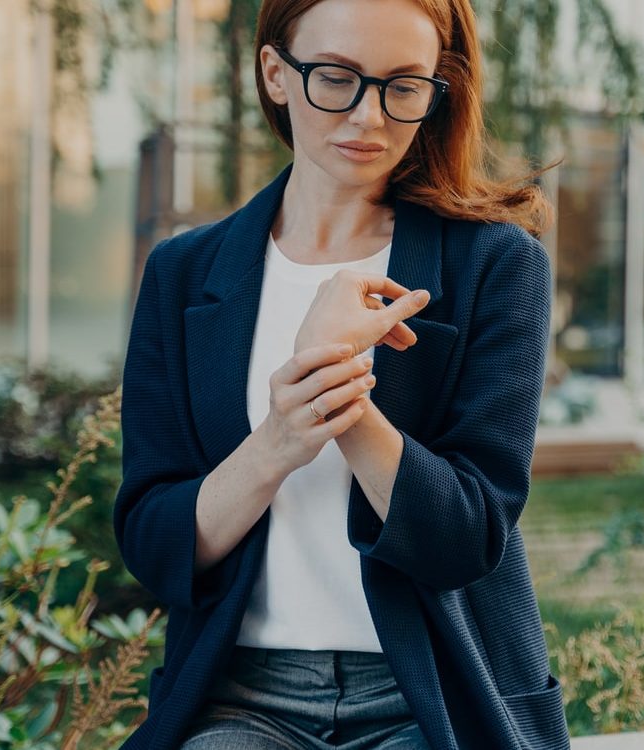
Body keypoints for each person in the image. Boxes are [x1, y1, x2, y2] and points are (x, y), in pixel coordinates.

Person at [112, 0, 566, 746]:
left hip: (433, 693)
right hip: (242, 699)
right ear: (275, 74)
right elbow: (155, 546)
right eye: (337, 77)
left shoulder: (497, 263)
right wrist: (280, 440)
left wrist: (341, 394)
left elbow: (467, 538)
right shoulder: (184, 273)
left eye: (403, 85)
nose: (369, 116)